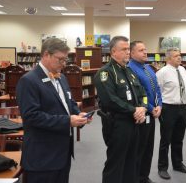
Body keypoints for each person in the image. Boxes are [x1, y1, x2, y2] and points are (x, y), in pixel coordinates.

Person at [16, 38, 89, 183]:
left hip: (62, 153)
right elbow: (31, 116)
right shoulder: (29, 80)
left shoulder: (61, 78)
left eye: (65, 60)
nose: (63, 64)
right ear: (46, 55)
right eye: (60, 59)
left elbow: (69, 103)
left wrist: (78, 115)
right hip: (42, 156)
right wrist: (68, 121)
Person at [94, 36, 147, 183]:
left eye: (128, 49)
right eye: (124, 49)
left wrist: (142, 108)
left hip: (135, 122)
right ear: (113, 52)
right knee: (116, 163)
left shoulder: (129, 71)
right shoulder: (105, 73)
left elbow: (143, 93)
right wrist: (134, 110)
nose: (128, 52)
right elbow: (110, 100)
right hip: (118, 124)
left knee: (132, 160)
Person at [128, 41, 162, 183]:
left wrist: (159, 105)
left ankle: (144, 176)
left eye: (145, 49)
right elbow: (137, 94)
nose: (145, 52)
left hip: (153, 113)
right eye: (141, 50)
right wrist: (150, 108)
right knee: (139, 149)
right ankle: (136, 178)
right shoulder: (130, 69)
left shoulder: (148, 68)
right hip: (141, 115)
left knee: (149, 148)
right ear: (132, 53)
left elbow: (157, 88)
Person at [156, 48, 186, 180]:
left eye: (180, 55)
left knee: (178, 138)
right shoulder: (162, 72)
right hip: (168, 108)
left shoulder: (182, 70)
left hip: (183, 107)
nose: (179, 58)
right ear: (168, 58)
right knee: (166, 139)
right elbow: (157, 92)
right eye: (176, 56)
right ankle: (162, 167)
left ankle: (178, 164)